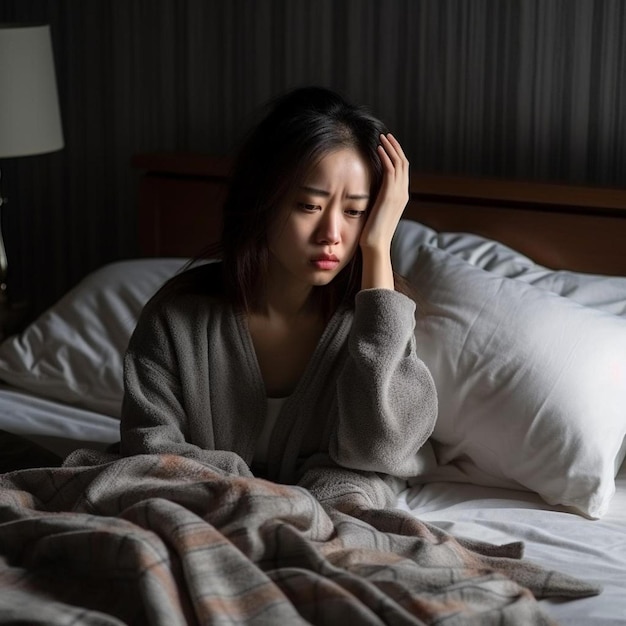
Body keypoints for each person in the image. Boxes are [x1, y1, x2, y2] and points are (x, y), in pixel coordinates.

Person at [120, 86, 437, 500]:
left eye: (355, 212)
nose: (332, 235)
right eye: (309, 206)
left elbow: (382, 452)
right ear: (263, 201)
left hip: (334, 510)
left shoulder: (375, 325)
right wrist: (259, 494)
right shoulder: (177, 318)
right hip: (204, 505)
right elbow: (149, 449)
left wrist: (377, 247)